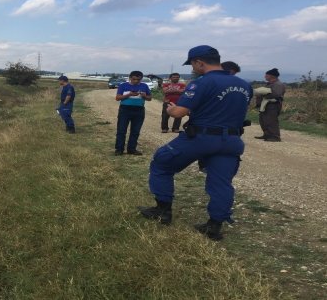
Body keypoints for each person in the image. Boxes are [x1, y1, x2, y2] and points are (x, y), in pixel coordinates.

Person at [138, 45, 253, 241]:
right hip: (232, 140)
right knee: (221, 182)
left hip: (202, 137)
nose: (192, 68)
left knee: (162, 161)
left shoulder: (201, 83)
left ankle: (163, 210)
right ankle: (214, 225)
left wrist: (170, 109)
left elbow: (179, 112)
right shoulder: (244, 85)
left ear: (199, 62)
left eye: (192, 64)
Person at [114, 71, 152, 155]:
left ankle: (131, 149)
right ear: (130, 78)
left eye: (138, 79)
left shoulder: (144, 86)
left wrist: (144, 96)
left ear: (141, 79)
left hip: (139, 110)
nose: (136, 81)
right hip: (125, 110)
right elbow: (117, 98)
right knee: (121, 130)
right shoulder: (123, 85)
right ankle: (119, 149)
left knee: (135, 131)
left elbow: (150, 98)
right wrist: (129, 94)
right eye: (134, 79)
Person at [254, 68, 286, 142]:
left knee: (271, 121)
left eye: (266, 75)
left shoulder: (278, 84)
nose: (265, 76)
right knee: (263, 120)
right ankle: (267, 135)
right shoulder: (270, 84)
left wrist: (263, 93)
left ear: (272, 76)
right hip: (266, 105)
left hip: (273, 105)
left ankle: (275, 137)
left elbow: (276, 94)